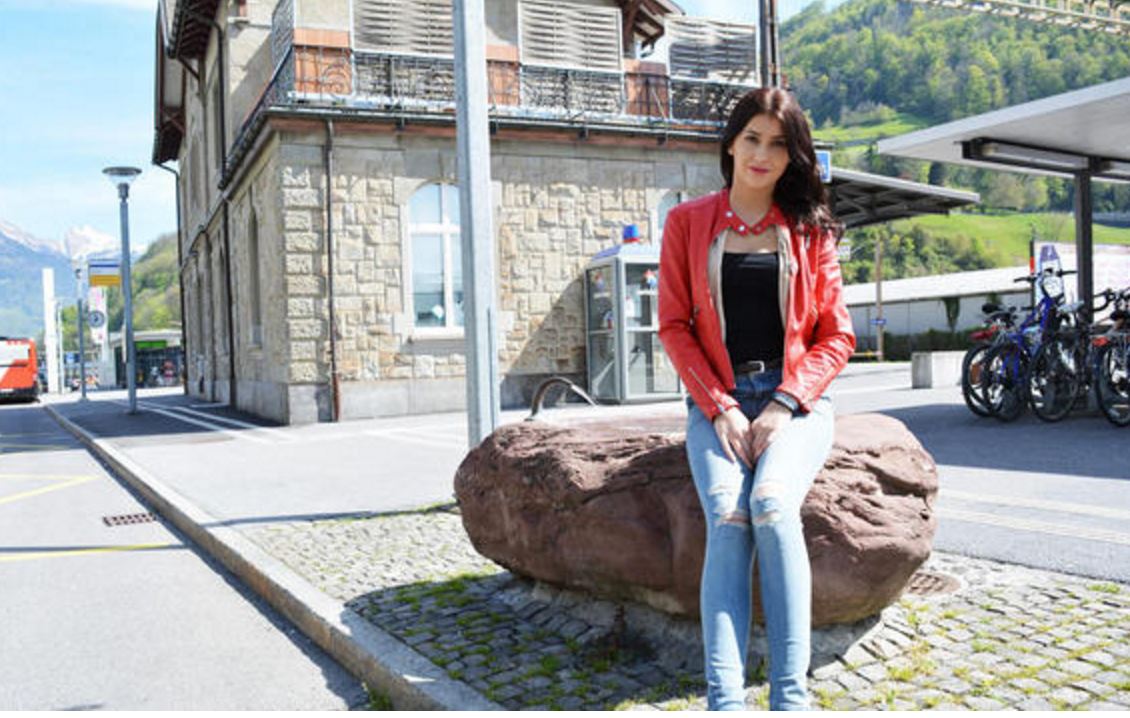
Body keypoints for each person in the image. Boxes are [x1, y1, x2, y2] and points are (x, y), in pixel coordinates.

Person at [657, 87, 855, 711]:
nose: (762, 154)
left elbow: (837, 335)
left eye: (777, 143)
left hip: (795, 402)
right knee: (728, 516)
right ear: (731, 144)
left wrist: (784, 403)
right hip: (717, 402)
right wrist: (719, 406)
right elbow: (674, 326)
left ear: (793, 156)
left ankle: (790, 701)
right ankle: (725, 703)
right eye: (752, 139)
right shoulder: (687, 223)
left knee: (770, 503)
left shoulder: (809, 231)